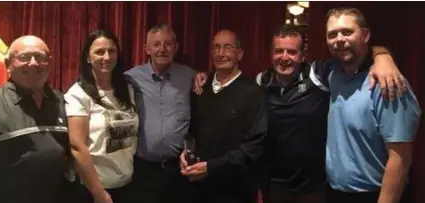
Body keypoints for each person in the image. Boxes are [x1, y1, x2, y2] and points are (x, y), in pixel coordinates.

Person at [193, 24, 406, 203]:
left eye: (291, 52)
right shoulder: (261, 82)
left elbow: (352, 56)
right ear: (271, 53)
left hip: (315, 188)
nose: (284, 57)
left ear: (302, 55)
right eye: (279, 51)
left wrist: (383, 56)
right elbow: (232, 83)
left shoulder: (318, 75)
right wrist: (204, 76)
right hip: (273, 186)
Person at [324, 7, 421, 203]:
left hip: (375, 195)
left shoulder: (389, 82)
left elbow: (400, 159)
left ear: (366, 35)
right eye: (332, 34)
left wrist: (382, 56)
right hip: (335, 193)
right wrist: (382, 53)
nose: (339, 39)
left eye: (347, 31)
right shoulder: (333, 74)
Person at [0, 35, 69, 203]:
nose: (33, 63)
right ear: (8, 65)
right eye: (24, 57)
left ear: (49, 63)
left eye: (40, 57)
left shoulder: (62, 101)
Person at [180, 30, 268, 203]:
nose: (221, 53)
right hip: (199, 188)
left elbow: (254, 147)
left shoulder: (254, 93)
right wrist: (186, 151)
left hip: (235, 191)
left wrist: (210, 168)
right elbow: (193, 131)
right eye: (216, 47)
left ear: (239, 53)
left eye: (227, 47)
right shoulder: (200, 87)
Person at [124, 24, 197, 203]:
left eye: (168, 44)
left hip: (179, 172)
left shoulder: (190, 76)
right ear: (146, 49)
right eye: (156, 44)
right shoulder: (130, 78)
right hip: (143, 172)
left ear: (176, 47)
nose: (162, 49)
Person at [64, 30, 138, 203]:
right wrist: (98, 193)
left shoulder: (127, 90)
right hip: (94, 189)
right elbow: (77, 147)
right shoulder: (78, 94)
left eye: (112, 51)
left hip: (127, 182)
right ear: (88, 58)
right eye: (99, 51)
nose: (106, 57)